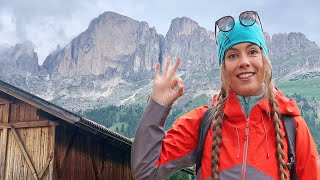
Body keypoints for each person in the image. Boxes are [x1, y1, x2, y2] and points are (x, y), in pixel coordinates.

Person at [131, 11, 320, 180]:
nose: (244, 62)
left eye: (252, 51)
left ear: (264, 61)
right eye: (232, 55)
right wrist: (157, 106)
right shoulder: (202, 122)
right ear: (223, 69)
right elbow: (145, 170)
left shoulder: (292, 126)